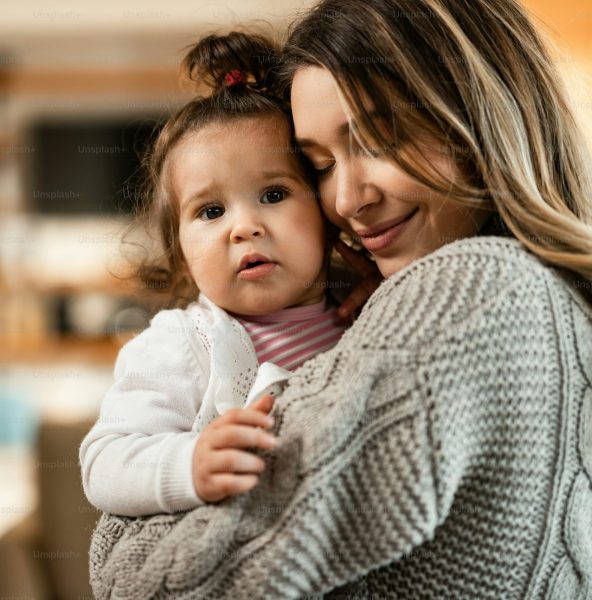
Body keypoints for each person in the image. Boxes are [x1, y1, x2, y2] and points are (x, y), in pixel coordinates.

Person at [87, 1, 592, 598]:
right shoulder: (208, 337)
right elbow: (110, 459)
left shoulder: (473, 291)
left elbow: (135, 577)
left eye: (379, 139)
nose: (347, 200)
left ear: (482, 114)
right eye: (321, 165)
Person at [79, 32, 357, 517]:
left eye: (273, 194)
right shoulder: (182, 345)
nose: (243, 228)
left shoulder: (368, 310)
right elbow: (103, 463)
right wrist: (189, 465)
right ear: (182, 252)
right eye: (210, 211)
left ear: (325, 215)